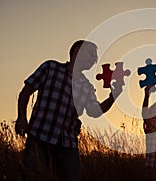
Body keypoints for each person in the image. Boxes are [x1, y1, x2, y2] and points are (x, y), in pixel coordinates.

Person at [15, 40, 122, 181]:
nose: (95, 59)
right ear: (77, 51)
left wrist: (113, 97)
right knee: (32, 176)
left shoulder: (86, 86)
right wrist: (21, 118)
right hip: (39, 137)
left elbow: (95, 112)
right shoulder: (50, 67)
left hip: (67, 144)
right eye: (91, 54)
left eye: (95, 56)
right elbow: (26, 92)